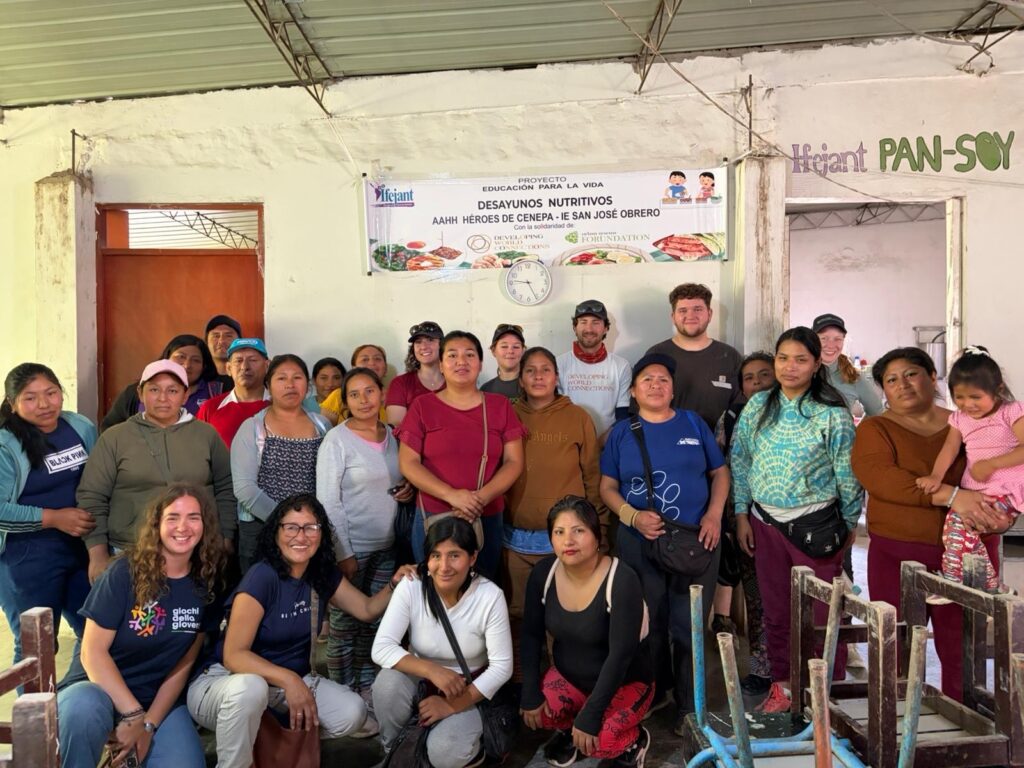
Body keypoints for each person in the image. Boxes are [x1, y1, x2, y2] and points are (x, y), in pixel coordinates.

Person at [187, 494, 415, 767]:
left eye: (311, 527)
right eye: (291, 527)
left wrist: (394, 583)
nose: (301, 536)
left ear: (321, 535)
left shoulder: (320, 573)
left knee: (352, 713)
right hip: (228, 683)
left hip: (281, 687)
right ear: (276, 532)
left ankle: (268, 743)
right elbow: (234, 656)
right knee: (251, 689)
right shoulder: (262, 576)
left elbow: (366, 609)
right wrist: (290, 680)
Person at [851, 346, 1011, 699]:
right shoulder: (876, 429)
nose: (902, 384)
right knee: (898, 647)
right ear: (883, 390)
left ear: (933, 377)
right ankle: (901, 728)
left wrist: (1003, 514)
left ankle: (965, 725)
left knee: (963, 647)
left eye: (911, 374)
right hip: (897, 554)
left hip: (968, 552)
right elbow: (882, 478)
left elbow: (1004, 472)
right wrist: (954, 496)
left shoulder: (973, 423)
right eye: (891, 380)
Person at [731, 327, 862, 713]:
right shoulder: (758, 406)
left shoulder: (832, 414)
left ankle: (828, 696)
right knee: (776, 612)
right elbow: (740, 461)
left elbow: (848, 475)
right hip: (764, 523)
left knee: (823, 615)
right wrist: (742, 513)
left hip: (817, 525)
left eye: (800, 359)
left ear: (816, 363)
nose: (790, 367)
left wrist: (850, 522)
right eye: (783, 358)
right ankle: (784, 688)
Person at [599, 353, 728, 734]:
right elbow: (607, 487)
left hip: (697, 539)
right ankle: (656, 692)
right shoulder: (622, 431)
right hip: (640, 541)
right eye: (647, 380)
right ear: (634, 390)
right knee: (649, 623)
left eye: (663, 379)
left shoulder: (693, 423)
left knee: (688, 626)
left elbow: (719, 472)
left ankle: (691, 706)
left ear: (673, 388)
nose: (656, 385)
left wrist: (714, 515)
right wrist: (632, 517)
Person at [57, 483, 225, 768]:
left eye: (193, 517)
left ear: (204, 525)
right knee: (81, 709)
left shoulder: (205, 583)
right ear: (157, 523)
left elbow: (184, 663)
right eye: (173, 517)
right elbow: (92, 653)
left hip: (155, 701)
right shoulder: (123, 572)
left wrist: (147, 725)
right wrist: (133, 715)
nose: (183, 527)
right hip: (97, 690)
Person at [520, 497, 653, 767]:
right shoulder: (544, 573)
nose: (568, 540)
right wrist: (530, 692)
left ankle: (634, 740)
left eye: (578, 530)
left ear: (596, 536)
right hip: (571, 678)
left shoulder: (621, 579)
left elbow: (621, 656)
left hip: (626, 682)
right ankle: (573, 729)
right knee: (538, 712)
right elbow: (531, 635)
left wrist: (591, 715)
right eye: (559, 532)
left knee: (601, 742)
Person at [371, 517, 513, 768]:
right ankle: (395, 751)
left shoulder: (490, 596)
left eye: (454, 555)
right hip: (420, 680)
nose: (443, 566)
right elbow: (381, 648)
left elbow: (502, 667)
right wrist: (432, 670)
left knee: (444, 752)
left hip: (467, 688)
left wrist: (451, 705)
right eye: (435, 556)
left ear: (473, 557)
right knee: (386, 684)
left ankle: (468, 749)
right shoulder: (411, 587)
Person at [78, 359, 235, 583]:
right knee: (138, 617)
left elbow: (226, 486)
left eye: (172, 390)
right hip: (129, 550)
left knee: (190, 616)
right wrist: (97, 554)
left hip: (196, 550)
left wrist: (225, 538)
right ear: (140, 394)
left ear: (185, 395)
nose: (163, 398)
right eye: (154, 390)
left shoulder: (206, 434)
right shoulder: (115, 437)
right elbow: (92, 496)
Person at [397, 331, 526, 581]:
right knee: (433, 589)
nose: (461, 362)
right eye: (452, 355)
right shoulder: (422, 406)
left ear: (480, 363)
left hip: (486, 516)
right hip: (433, 516)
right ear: (441, 365)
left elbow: (514, 462)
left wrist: (479, 499)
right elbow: (408, 462)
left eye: (469, 355)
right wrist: (452, 496)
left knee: (481, 590)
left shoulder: (499, 406)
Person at [316, 367, 414, 694]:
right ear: (345, 401)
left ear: (382, 394)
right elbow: (328, 500)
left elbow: (402, 479)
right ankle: (343, 695)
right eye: (354, 394)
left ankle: (367, 688)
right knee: (344, 627)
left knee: (374, 623)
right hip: (352, 548)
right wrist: (342, 551)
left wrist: (408, 489)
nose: (364, 400)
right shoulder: (337, 440)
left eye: (369, 391)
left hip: (387, 547)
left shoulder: (393, 436)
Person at [505, 347, 606, 657]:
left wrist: (601, 527)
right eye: (530, 370)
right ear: (520, 379)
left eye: (545, 370)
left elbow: (592, 475)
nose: (538, 376)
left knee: (562, 615)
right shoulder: (506, 414)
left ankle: (562, 686)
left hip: (565, 541)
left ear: (556, 376)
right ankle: (524, 686)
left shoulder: (577, 417)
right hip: (515, 539)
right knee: (519, 615)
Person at [0, 363, 95, 666]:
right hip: (26, 555)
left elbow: (100, 479)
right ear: (12, 404)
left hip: (81, 547)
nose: (44, 404)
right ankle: (34, 714)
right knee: (37, 648)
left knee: (97, 633)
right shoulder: (6, 443)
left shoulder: (79, 427)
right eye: (30, 397)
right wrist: (54, 518)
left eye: (51, 393)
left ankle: (74, 705)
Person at [915, 346, 1022, 594]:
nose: (967, 404)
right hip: (976, 491)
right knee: (957, 527)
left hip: (1007, 490)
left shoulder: (1011, 412)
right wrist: (936, 476)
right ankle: (987, 584)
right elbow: (949, 450)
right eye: (960, 398)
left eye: (975, 397)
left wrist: (993, 463)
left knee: (964, 524)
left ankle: (955, 580)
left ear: (998, 390)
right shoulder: (959, 419)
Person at [231, 354, 331, 572]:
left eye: (297, 378)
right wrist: (287, 523)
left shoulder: (322, 426)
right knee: (261, 598)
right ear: (268, 385)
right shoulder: (252, 428)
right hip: (260, 528)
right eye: (281, 378)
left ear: (308, 385)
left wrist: (303, 526)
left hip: (311, 531)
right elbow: (244, 489)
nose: (290, 385)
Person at [712, 351, 775, 696]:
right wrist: (733, 517)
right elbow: (723, 468)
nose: (757, 383)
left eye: (764, 375)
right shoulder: (732, 417)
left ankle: (807, 670)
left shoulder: (798, 413)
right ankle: (763, 668)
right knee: (757, 598)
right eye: (749, 378)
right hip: (746, 518)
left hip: (797, 524)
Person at [645, 283, 742, 429]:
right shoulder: (656, 355)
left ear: (709, 314)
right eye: (683, 310)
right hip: (666, 446)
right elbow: (642, 408)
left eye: (698, 309)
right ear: (673, 317)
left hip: (717, 448)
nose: (690, 316)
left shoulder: (730, 356)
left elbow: (741, 409)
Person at [101, 335, 226, 431]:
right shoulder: (136, 392)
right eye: (180, 357)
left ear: (204, 366)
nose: (187, 365)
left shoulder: (219, 389)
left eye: (196, 360)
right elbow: (110, 428)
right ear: (166, 359)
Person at [557, 300, 631, 440]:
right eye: (583, 322)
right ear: (575, 327)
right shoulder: (558, 364)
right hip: (569, 445)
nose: (589, 329)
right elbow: (555, 412)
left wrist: (602, 444)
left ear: (606, 328)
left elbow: (623, 415)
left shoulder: (621, 366)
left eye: (596, 322)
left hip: (608, 446)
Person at [197, 338, 271, 447]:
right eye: (238, 361)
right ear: (228, 368)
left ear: (266, 366)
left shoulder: (280, 405)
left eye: (253, 360)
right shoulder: (210, 408)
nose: (245, 367)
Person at [812, 313, 883, 418]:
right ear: (813, 340)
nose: (831, 345)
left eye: (837, 339)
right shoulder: (801, 373)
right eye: (824, 338)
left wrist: (857, 433)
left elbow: (876, 412)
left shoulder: (854, 378)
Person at [386, 322, 446, 428]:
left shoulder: (456, 382)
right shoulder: (400, 384)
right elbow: (397, 428)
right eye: (418, 342)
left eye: (430, 340)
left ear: (442, 345)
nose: (423, 346)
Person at [321, 344, 389, 427]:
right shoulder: (338, 395)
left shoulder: (397, 396)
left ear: (385, 369)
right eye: (365, 359)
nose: (371, 363)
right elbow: (323, 432)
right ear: (354, 368)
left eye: (377, 359)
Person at [481, 324, 526, 400]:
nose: (510, 351)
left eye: (516, 347)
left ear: (523, 351)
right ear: (493, 351)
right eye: (504, 346)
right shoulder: (486, 390)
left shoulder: (533, 386)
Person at [205, 314, 242, 383]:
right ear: (206, 341)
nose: (221, 341)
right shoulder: (198, 378)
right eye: (216, 336)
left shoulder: (247, 377)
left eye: (228, 336)